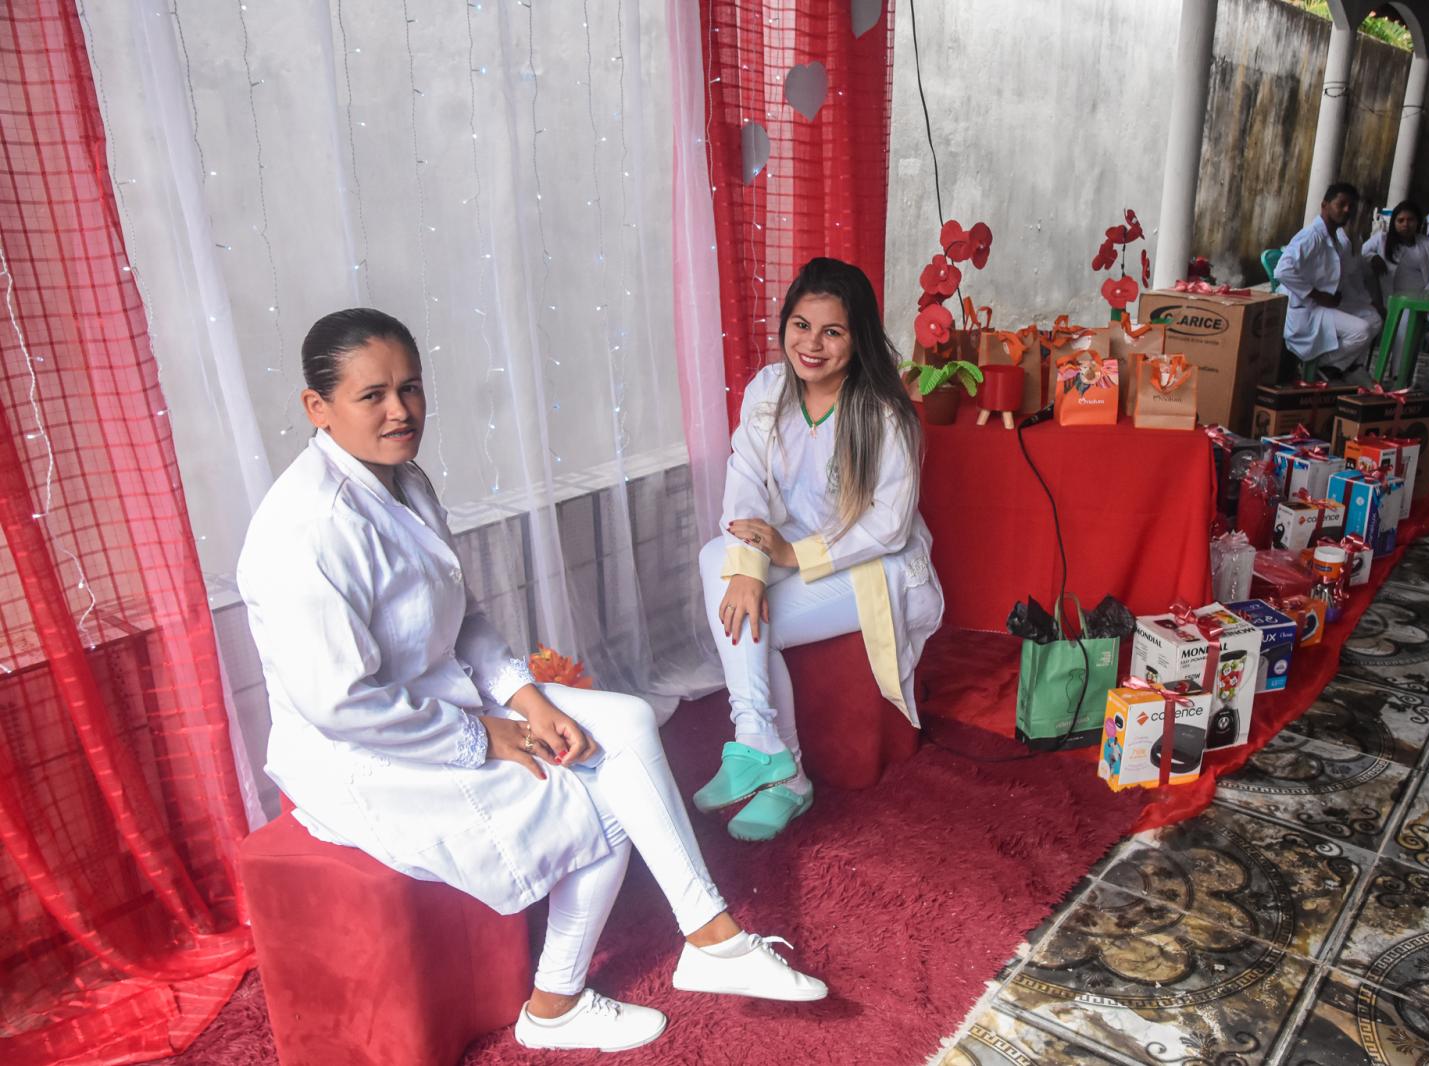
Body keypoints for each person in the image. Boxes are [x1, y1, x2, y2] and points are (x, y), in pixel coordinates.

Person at [237, 309, 827, 1056]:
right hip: (364, 750)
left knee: (626, 722)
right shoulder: (307, 529)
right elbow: (341, 704)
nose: (400, 412)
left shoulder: (403, 479)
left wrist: (526, 699)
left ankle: (709, 938)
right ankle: (556, 1005)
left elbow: (464, 617)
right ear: (316, 408)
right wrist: (482, 732)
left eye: (411, 389)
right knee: (599, 795)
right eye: (373, 396)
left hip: (442, 691)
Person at [697, 257, 943, 841]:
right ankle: (758, 738)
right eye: (801, 325)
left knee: (764, 624)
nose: (812, 344)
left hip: (874, 569)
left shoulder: (884, 413)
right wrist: (752, 566)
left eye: (832, 331)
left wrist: (790, 556)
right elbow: (744, 482)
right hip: (786, 547)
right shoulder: (767, 390)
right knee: (717, 560)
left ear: (856, 340)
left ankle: (786, 777)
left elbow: (888, 524)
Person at [1276, 182, 1382, 384]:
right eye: (1341, 204)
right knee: (1361, 331)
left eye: (1350, 206)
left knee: (1374, 319)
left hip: (1325, 304)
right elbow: (1282, 270)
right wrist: (1317, 295)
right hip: (1307, 309)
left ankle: (1344, 366)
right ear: (1324, 205)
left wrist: (1363, 301)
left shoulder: (1335, 238)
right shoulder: (1312, 236)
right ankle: (1324, 365)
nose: (1346, 210)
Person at [1364, 201, 1429, 398]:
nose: (1405, 224)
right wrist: (1372, 258)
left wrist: (1426, 298)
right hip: (1397, 300)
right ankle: (1397, 378)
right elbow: (1361, 254)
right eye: (1400, 220)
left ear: (1418, 222)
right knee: (1404, 326)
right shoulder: (1382, 240)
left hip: (1425, 297)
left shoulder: (1427, 243)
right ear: (1394, 223)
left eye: (1410, 220)